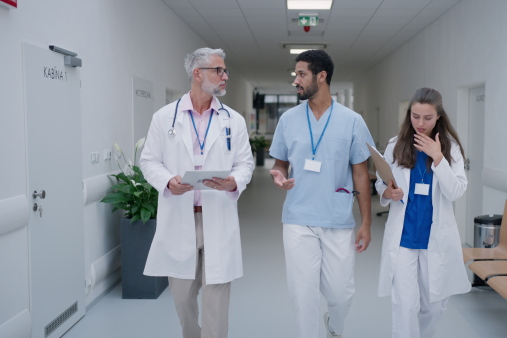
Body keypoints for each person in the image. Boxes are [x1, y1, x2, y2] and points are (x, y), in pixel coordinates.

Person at [140, 47, 254, 338]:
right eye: (219, 70)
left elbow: (245, 163)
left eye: (225, 70)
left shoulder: (234, 120)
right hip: (180, 217)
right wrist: (167, 182)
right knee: (182, 300)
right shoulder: (164, 117)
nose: (225, 76)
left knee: (217, 303)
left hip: (217, 216)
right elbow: (149, 160)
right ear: (197, 74)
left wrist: (233, 181)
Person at [269, 49, 375, 338]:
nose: (296, 81)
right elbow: (280, 163)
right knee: (303, 298)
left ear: (322, 76)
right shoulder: (288, 120)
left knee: (341, 296)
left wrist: (366, 222)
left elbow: (361, 173)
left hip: (337, 217)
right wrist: (278, 175)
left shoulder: (352, 121)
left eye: (301, 74)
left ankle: (334, 327)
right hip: (298, 218)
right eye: (296, 75)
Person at [374, 87, 471, 338]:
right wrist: (387, 192)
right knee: (404, 305)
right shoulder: (397, 145)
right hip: (404, 236)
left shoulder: (450, 148)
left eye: (427, 118)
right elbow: (380, 182)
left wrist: (438, 158)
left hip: (434, 238)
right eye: (415, 116)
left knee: (434, 305)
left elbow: (456, 191)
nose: (420, 123)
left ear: (438, 116)